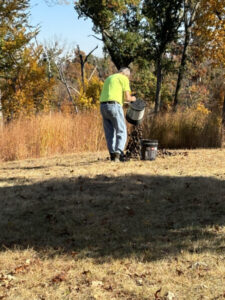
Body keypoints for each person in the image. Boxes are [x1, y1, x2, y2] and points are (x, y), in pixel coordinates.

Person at [100, 67, 136, 162]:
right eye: (128, 76)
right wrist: (134, 99)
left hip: (103, 106)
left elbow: (113, 95)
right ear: (126, 74)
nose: (128, 78)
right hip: (114, 106)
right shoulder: (124, 78)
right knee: (122, 130)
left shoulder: (109, 78)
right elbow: (128, 98)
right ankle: (118, 154)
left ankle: (112, 154)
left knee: (109, 132)